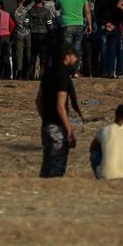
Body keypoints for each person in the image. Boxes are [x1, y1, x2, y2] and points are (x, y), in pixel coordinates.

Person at [36, 43, 85, 177]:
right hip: (57, 127)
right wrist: (69, 130)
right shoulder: (62, 75)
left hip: (46, 125)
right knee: (56, 168)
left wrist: (45, 118)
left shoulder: (48, 72)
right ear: (67, 56)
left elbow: (39, 100)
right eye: (75, 56)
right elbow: (60, 105)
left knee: (47, 165)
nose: (75, 59)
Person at [56, 0, 92, 78]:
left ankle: (67, 71)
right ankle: (75, 71)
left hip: (66, 25)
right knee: (76, 49)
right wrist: (90, 25)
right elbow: (87, 12)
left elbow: (56, 7)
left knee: (67, 50)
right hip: (79, 25)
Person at [90, 105, 123, 179]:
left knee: (95, 153)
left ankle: (100, 175)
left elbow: (92, 148)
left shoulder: (104, 130)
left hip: (106, 176)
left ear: (115, 115)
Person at [26, 0, 53, 80]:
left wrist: (31, 27)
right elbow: (50, 25)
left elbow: (25, 23)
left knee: (33, 56)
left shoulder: (30, 11)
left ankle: (31, 75)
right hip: (43, 36)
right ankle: (42, 75)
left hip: (33, 35)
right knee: (43, 57)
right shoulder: (46, 11)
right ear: (42, 0)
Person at [12, 0, 32, 80]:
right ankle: (27, 73)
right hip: (27, 33)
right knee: (28, 54)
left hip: (18, 34)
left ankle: (19, 73)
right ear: (23, 0)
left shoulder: (14, 11)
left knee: (19, 55)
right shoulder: (26, 9)